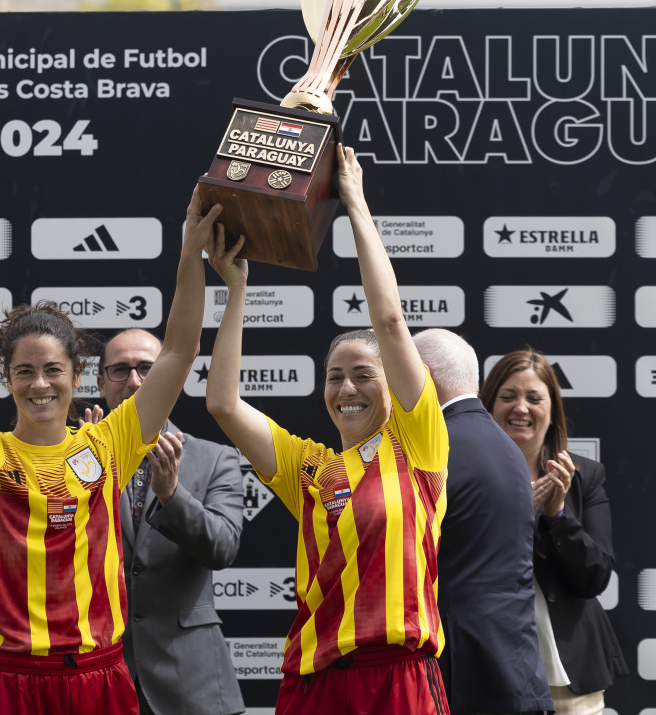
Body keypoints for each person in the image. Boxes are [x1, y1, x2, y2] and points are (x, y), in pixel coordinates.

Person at [0, 190, 218, 714]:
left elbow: (178, 351)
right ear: (6, 379)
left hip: (96, 676)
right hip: (9, 678)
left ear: (78, 376)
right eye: (25, 371)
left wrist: (191, 248)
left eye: (54, 370)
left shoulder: (109, 444)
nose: (41, 384)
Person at [205, 144, 450, 714]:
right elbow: (221, 402)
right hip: (316, 682)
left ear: (393, 386)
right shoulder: (311, 468)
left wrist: (355, 204)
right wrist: (237, 290)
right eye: (334, 377)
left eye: (364, 375)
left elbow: (388, 321)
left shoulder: (418, 444)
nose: (346, 390)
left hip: (398, 678)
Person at [84, 327, 245, 715]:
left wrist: (172, 496)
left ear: (172, 378)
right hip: (97, 678)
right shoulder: (76, 459)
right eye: (120, 370)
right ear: (100, 382)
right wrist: (85, 477)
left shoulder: (215, 459)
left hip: (193, 682)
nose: (135, 381)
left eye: (147, 369)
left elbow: (222, 548)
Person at [411, 329, 553, 715]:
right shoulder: (504, 444)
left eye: (396, 370)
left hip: (460, 675)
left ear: (421, 374)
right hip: (512, 672)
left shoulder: (437, 446)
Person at [480, 347, 627, 715]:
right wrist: (513, 519)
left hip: (568, 673)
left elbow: (594, 579)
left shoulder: (584, 476)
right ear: (489, 404)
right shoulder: (460, 474)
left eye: (534, 398)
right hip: (487, 666)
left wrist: (556, 515)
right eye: (508, 396)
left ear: (552, 409)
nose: (521, 408)